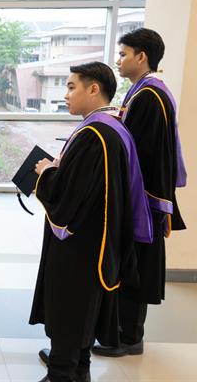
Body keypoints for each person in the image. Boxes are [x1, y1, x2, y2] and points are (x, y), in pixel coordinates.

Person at [30, 62, 152, 382]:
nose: (66, 94)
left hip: (80, 248)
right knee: (83, 317)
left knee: (70, 313)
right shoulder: (112, 127)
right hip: (100, 242)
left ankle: (62, 373)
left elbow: (70, 197)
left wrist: (47, 173)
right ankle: (78, 370)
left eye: (71, 87)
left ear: (93, 89)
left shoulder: (95, 133)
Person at [93, 28, 188, 358]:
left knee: (135, 265)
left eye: (123, 54)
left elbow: (137, 152)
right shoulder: (144, 92)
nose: (118, 61)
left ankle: (129, 336)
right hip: (142, 195)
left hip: (142, 198)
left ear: (141, 56)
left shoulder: (150, 96)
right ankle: (124, 331)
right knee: (132, 263)